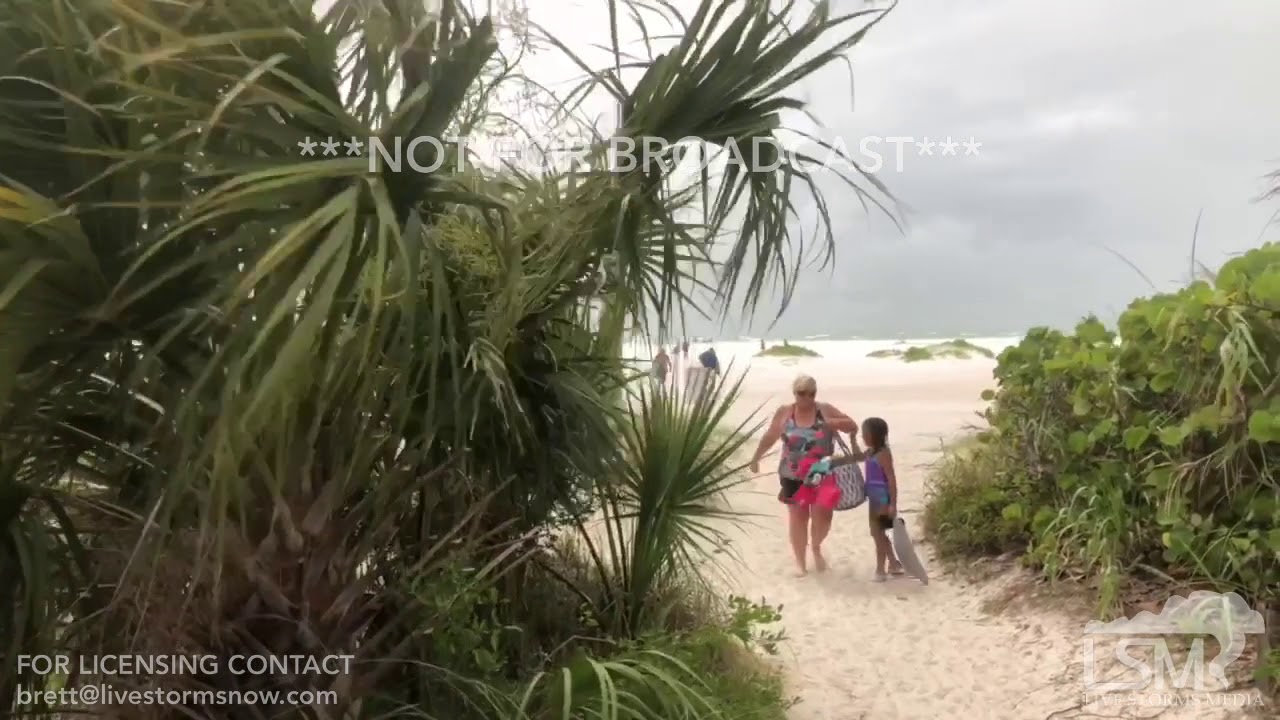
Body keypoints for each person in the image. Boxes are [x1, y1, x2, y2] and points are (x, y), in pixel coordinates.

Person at [748, 374, 857, 576]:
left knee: (823, 518)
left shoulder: (823, 409)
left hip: (822, 474)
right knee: (798, 517)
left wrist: (833, 422)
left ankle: (815, 546)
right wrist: (756, 458)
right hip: (792, 473)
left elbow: (852, 425)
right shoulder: (785, 412)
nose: (807, 398)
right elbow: (771, 435)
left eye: (811, 393)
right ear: (794, 393)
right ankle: (800, 562)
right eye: (801, 393)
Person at [838, 417, 905, 581]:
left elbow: (891, 479)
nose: (863, 436)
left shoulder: (883, 454)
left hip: (882, 499)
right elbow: (857, 457)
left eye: (865, 434)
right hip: (873, 498)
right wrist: (852, 439)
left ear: (875, 435)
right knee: (877, 533)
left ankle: (883, 568)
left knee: (878, 533)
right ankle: (892, 564)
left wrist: (893, 504)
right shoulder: (871, 452)